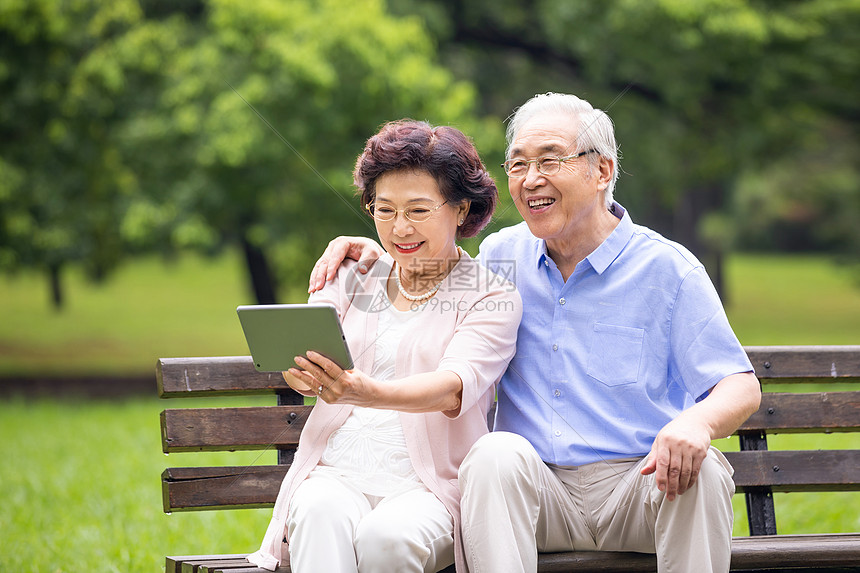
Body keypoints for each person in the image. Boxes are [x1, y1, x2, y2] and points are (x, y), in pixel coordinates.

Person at [306, 93, 762, 573]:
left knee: (704, 471)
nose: (530, 179)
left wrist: (696, 423)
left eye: (549, 160)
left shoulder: (668, 269)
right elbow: (433, 283)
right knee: (493, 453)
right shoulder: (503, 256)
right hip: (530, 493)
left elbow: (740, 384)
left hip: (638, 484)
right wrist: (373, 252)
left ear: (602, 171)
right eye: (518, 164)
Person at [247, 119, 522, 573]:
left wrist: (363, 391)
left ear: (460, 208)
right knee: (317, 511)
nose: (399, 229)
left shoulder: (490, 295)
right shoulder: (351, 273)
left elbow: (453, 387)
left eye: (417, 210)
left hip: (427, 485)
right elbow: (308, 350)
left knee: (387, 538)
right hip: (335, 470)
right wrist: (300, 372)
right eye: (385, 209)